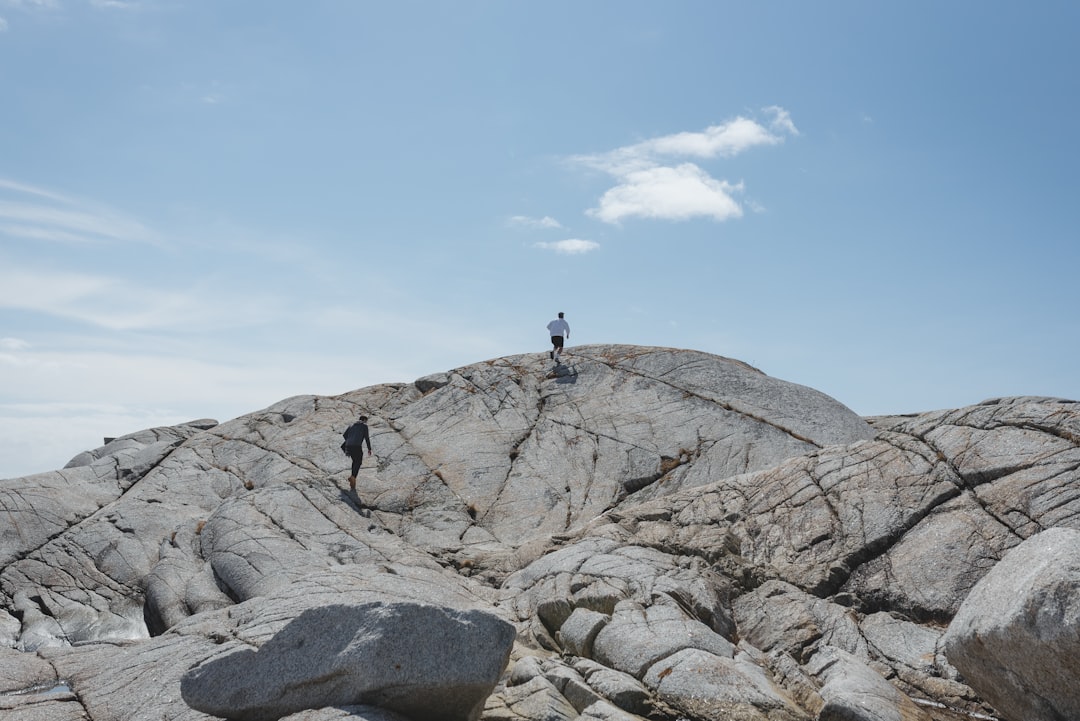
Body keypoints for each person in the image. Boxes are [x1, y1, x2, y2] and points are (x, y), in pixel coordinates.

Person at [342, 415, 372, 492]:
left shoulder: (351, 425)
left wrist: (350, 440)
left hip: (348, 446)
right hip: (356, 446)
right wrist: (369, 448)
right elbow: (367, 437)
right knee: (358, 462)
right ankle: (353, 477)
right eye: (366, 421)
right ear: (364, 420)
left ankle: (353, 478)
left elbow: (344, 435)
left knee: (355, 461)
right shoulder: (364, 426)